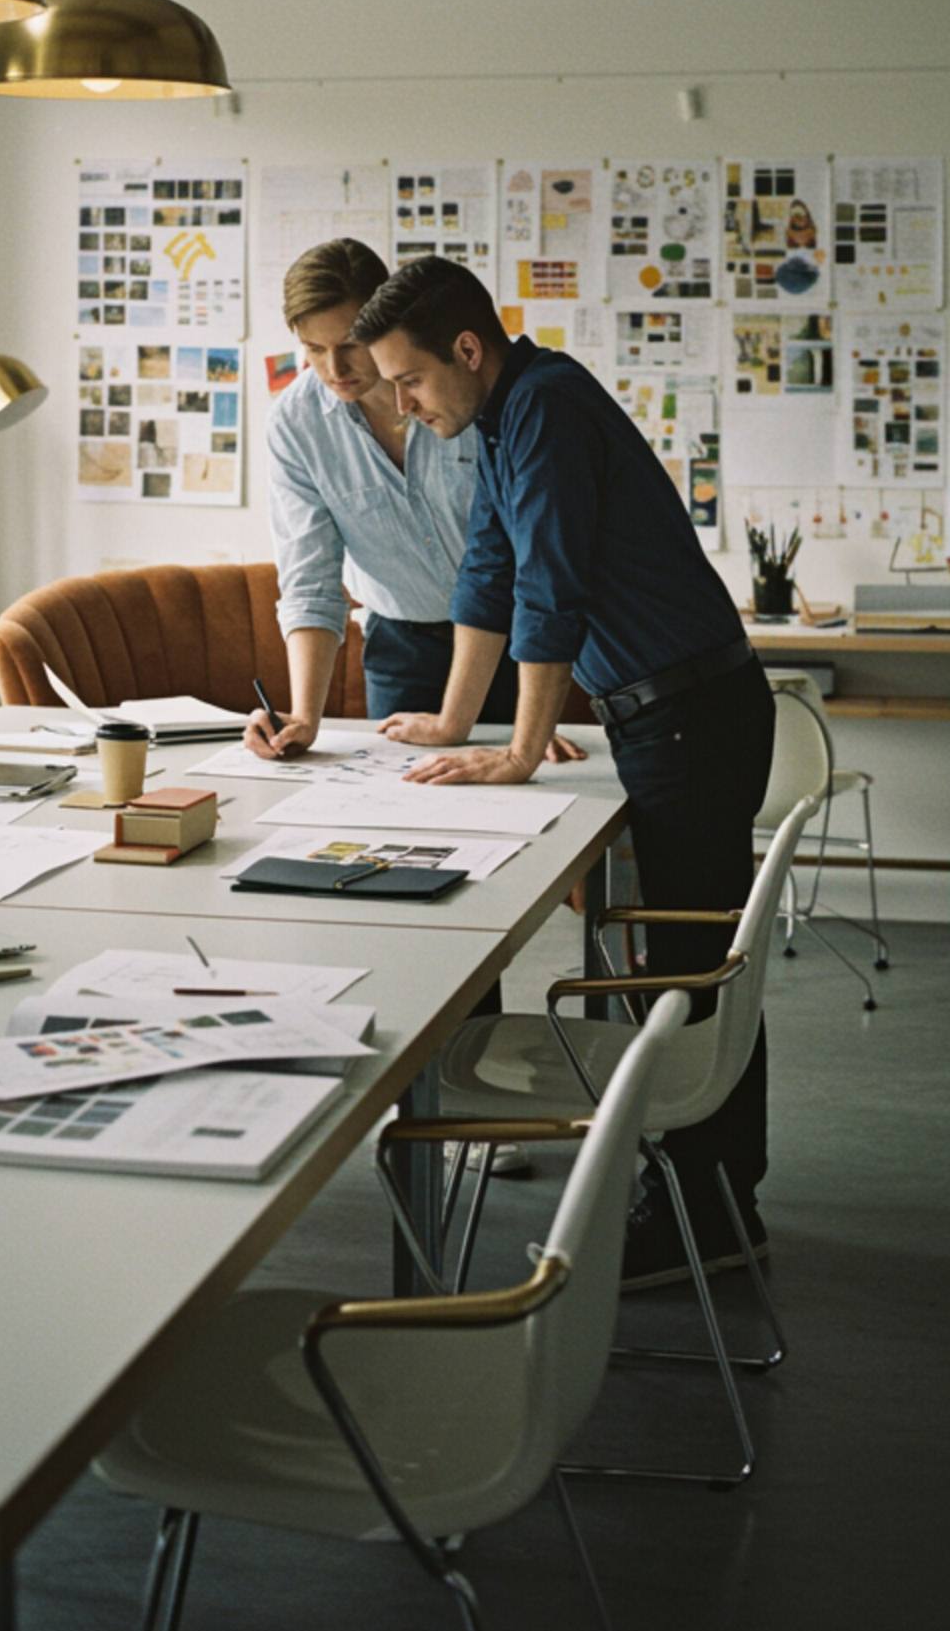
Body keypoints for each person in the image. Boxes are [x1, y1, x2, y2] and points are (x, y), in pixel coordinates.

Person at [351, 255, 777, 1289]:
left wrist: (516, 749)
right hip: (666, 717)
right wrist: (457, 721)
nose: (400, 406)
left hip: (690, 718)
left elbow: (552, 589)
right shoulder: (505, 418)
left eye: (408, 381)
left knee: (682, 972)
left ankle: (708, 1215)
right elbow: (489, 571)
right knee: (673, 961)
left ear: (466, 349)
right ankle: (704, 1193)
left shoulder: (542, 407)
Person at [247, 236, 582, 760]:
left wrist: (527, 734)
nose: (334, 368)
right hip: (401, 646)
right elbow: (309, 577)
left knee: (531, 795)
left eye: (351, 344)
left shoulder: (464, 390)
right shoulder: (296, 424)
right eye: (313, 349)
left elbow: (523, 553)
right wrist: (303, 718)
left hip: (516, 641)